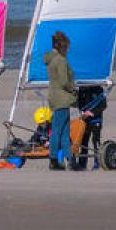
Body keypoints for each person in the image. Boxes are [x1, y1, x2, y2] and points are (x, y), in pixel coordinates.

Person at [42, 31, 77, 169]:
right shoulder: (61, 60)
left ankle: (69, 159)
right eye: (67, 47)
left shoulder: (50, 59)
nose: (67, 50)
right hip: (62, 97)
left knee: (63, 131)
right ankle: (53, 160)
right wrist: (73, 89)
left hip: (55, 96)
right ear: (62, 46)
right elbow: (64, 81)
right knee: (58, 130)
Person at [75, 84, 108, 170]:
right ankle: (82, 163)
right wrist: (82, 111)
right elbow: (79, 102)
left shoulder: (98, 89)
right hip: (85, 120)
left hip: (96, 119)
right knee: (83, 141)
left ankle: (97, 162)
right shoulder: (82, 89)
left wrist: (92, 112)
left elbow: (103, 105)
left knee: (96, 141)